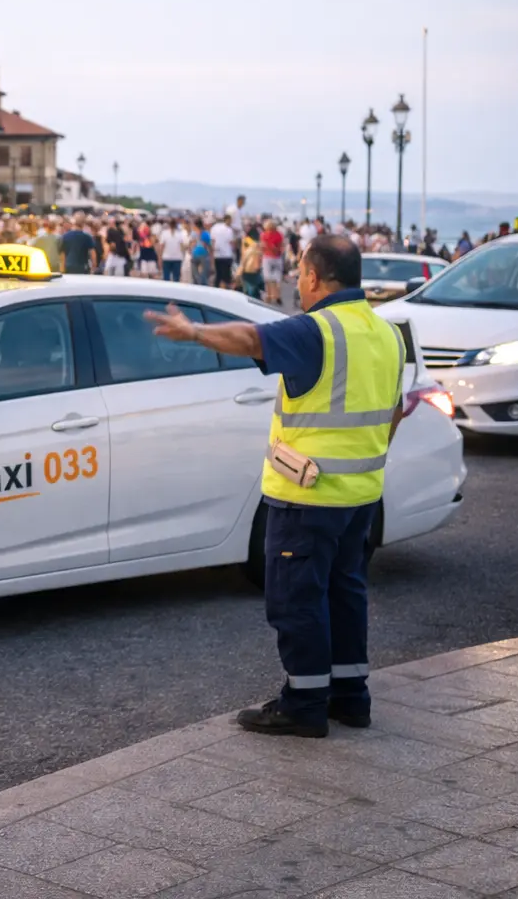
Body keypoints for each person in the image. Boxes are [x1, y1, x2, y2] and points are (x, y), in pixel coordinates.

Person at [147, 235, 404, 738]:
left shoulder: (318, 330)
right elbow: (393, 410)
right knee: (345, 592)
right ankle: (351, 698)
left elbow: (251, 339)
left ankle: (304, 702)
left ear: (314, 277)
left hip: (308, 496)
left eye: (299, 273)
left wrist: (193, 332)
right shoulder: (385, 333)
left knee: (297, 599)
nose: (296, 282)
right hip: (360, 498)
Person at [261, 219, 286, 305]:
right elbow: (281, 247)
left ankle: (269, 295)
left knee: (267, 278)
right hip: (277, 257)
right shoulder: (279, 235)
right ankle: (277, 296)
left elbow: (263, 247)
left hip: (267, 257)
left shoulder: (264, 235)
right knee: (277, 278)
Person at [211, 215, 237, 287]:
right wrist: (235, 250)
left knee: (218, 275)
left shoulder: (214, 228)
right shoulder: (229, 230)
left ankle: (216, 290)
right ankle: (226, 292)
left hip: (217, 255)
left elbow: (212, 242)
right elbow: (232, 243)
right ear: (227, 220)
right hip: (227, 255)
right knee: (226, 276)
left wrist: (212, 254)